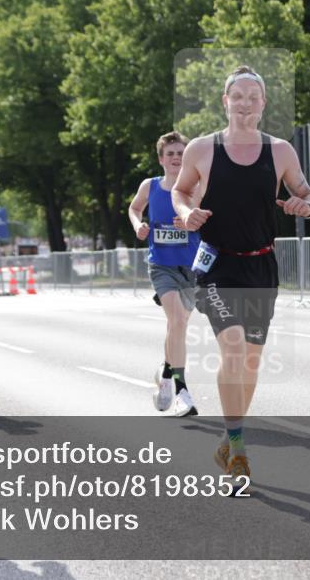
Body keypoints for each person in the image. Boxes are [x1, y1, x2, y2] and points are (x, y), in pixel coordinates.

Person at [173, 66, 310, 483]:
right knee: (233, 348)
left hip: (261, 265)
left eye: (254, 96)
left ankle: (228, 436)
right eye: (238, 96)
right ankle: (238, 451)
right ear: (225, 101)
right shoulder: (202, 149)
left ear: (263, 103)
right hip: (218, 264)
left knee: (251, 360)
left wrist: (305, 206)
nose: (245, 103)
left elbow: (308, 195)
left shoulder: (281, 152)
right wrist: (186, 212)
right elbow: (180, 191)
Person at [128, 131, 201, 417]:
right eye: (170, 154)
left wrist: (192, 222)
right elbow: (134, 208)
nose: (176, 158)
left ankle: (167, 372)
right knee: (177, 320)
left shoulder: (196, 187)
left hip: (192, 267)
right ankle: (182, 391)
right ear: (161, 159)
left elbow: (213, 220)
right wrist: (138, 225)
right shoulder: (150, 186)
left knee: (177, 327)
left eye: (181, 153)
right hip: (161, 265)